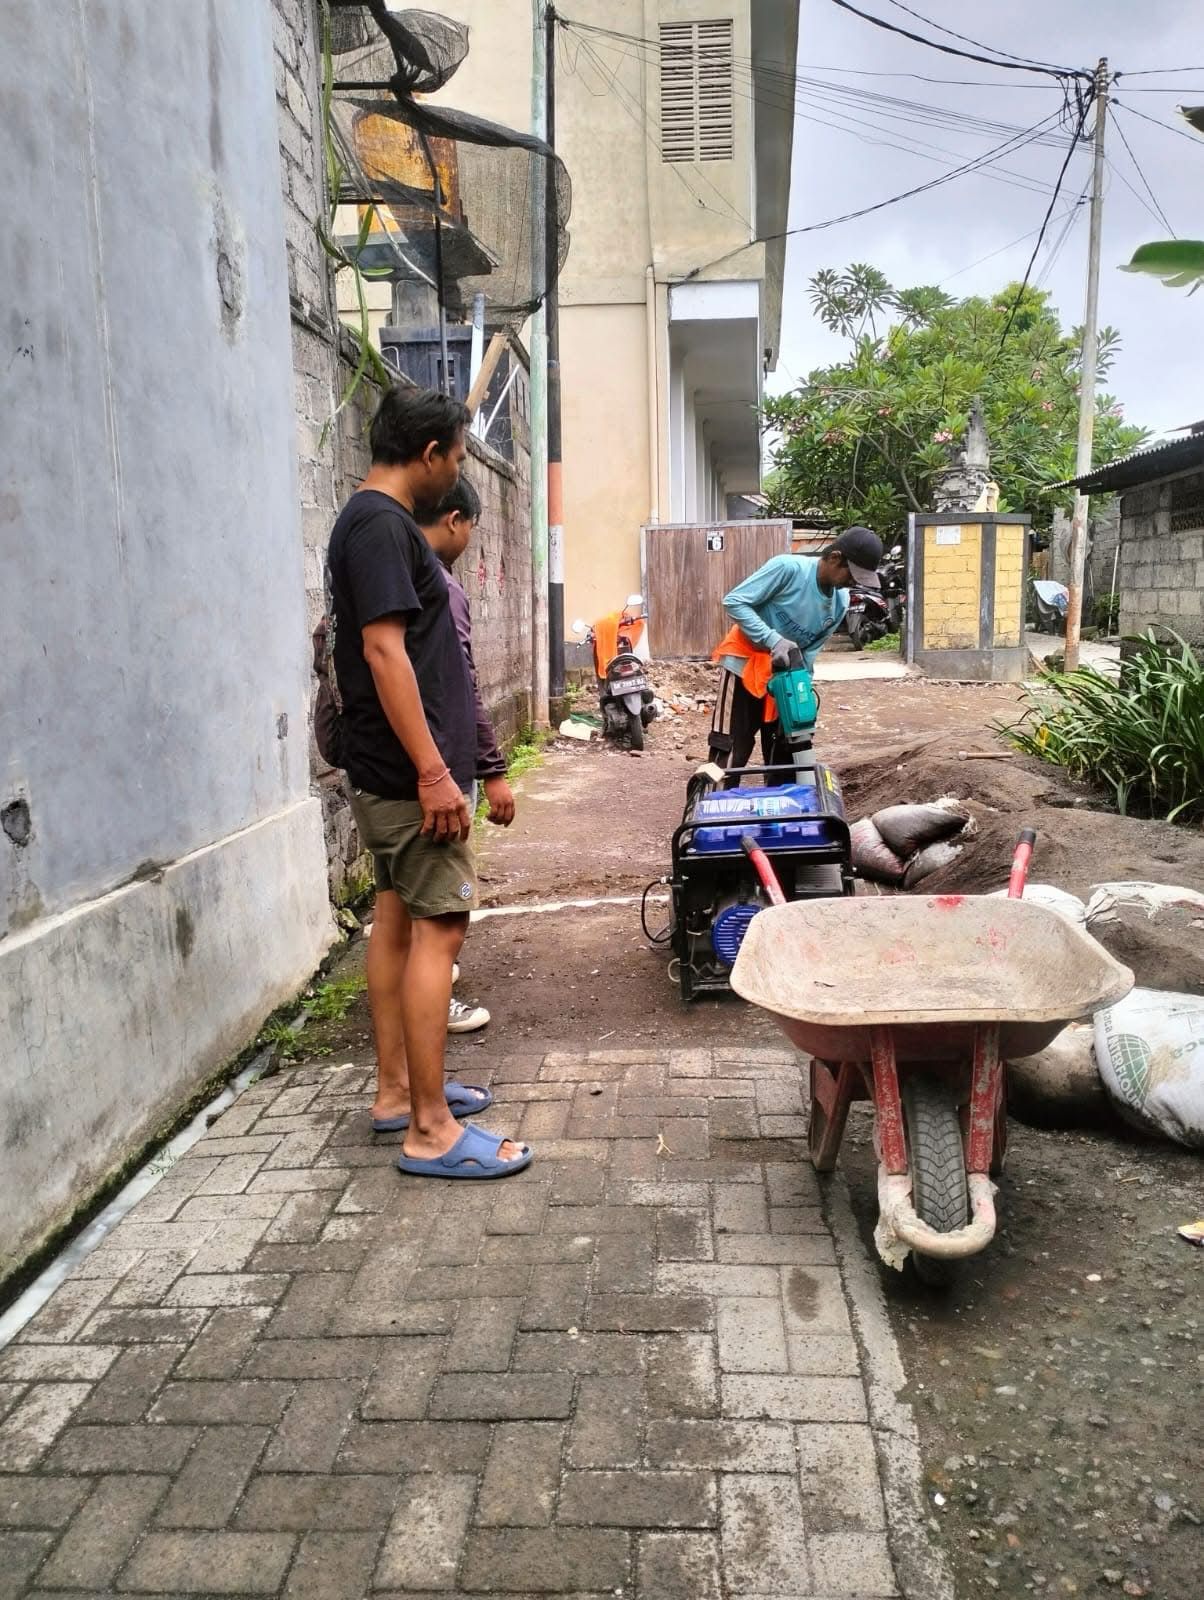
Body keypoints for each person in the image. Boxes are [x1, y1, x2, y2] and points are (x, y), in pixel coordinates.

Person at [326, 385, 530, 1179]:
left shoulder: (366, 522)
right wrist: (436, 772)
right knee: (438, 929)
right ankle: (430, 1130)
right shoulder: (382, 525)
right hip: (410, 779)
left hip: (391, 771)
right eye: (458, 454)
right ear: (431, 453)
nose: (459, 471)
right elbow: (384, 653)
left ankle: (399, 1094)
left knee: (396, 922)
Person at [414, 475, 515, 1036]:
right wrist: (491, 769)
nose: (471, 538)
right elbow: (462, 683)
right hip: (436, 765)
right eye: (472, 527)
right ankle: (432, 1006)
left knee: (398, 907)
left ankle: (404, 1046)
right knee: (443, 918)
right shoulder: (437, 586)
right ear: (455, 520)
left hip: (383, 770)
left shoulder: (379, 569)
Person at [708, 525, 883, 775]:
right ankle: (716, 798)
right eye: (852, 574)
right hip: (744, 666)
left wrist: (802, 692)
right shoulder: (789, 569)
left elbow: (809, 652)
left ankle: (781, 799)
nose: (853, 582)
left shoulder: (840, 602)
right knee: (731, 748)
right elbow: (734, 601)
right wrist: (773, 640)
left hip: (785, 678)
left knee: (786, 752)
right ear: (835, 558)